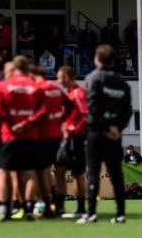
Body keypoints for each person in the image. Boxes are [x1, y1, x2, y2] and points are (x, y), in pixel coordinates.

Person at [0, 55, 45, 223]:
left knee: (3, 171)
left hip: (9, 134)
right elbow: (43, 111)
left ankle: (3, 209)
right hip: (30, 134)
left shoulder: (4, 85)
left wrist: (13, 125)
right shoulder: (35, 86)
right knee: (29, 172)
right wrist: (26, 123)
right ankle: (28, 208)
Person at [78, 44, 132, 224]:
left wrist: (106, 128)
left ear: (97, 59)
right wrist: (117, 128)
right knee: (116, 173)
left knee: (93, 172)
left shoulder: (93, 78)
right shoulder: (123, 83)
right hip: (115, 135)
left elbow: (91, 108)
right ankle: (121, 213)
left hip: (96, 133)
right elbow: (128, 111)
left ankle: (91, 212)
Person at [33, 66, 68, 219]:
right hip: (58, 135)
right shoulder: (56, 87)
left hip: (43, 136)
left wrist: (28, 122)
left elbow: (40, 111)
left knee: (43, 171)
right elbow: (70, 106)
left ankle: (46, 205)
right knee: (57, 172)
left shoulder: (38, 89)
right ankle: (59, 205)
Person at [54, 65, 88, 219]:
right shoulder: (67, 93)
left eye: (60, 77)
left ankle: (81, 206)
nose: (58, 80)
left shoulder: (78, 93)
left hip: (76, 138)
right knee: (59, 169)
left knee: (77, 173)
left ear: (67, 76)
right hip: (66, 137)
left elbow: (86, 114)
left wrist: (76, 127)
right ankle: (60, 205)